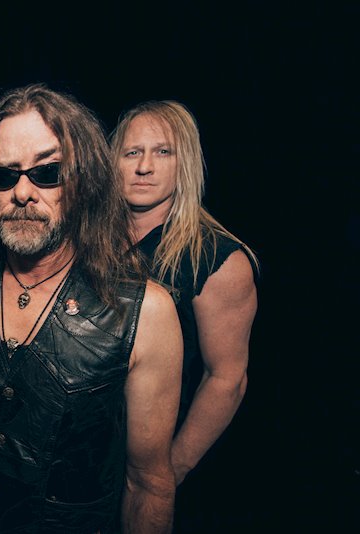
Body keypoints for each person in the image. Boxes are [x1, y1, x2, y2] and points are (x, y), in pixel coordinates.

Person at [0, 83, 184, 534]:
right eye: (4, 175)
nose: (22, 192)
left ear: (84, 182)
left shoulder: (145, 312)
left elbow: (148, 481)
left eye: (47, 173)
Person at [110, 101, 259, 531]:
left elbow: (227, 379)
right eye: (132, 152)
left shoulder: (218, 259)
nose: (144, 167)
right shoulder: (89, 243)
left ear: (185, 163)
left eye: (163, 152)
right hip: (84, 468)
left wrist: (167, 474)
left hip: (151, 466)